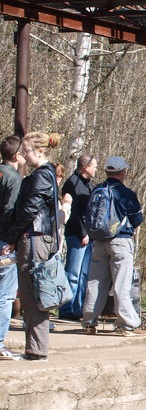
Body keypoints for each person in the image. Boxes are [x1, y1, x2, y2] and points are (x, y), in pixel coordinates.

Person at [7, 132, 62, 360]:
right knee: (33, 294)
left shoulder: (41, 176)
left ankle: (36, 351)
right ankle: (35, 349)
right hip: (37, 237)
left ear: (40, 151)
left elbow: (31, 209)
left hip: (35, 238)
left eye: (27, 151)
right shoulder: (45, 174)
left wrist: (11, 237)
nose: (23, 155)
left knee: (33, 295)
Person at [81, 155, 146, 337]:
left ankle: (88, 323)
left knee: (95, 283)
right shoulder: (126, 193)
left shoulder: (97, 190)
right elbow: (137, 218)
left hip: (98, 242)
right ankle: (126, 324)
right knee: (121, 285)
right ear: (122, 171)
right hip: (120, 241)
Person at [58, 154, 96, 320]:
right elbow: (73, 214)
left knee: (83, 275)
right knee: (72, 274)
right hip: (77, 235)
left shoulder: (87, 185)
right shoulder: (72, 183)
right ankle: (66, 309)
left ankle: (77, 308)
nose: (95, 169)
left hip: (88, 235)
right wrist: (83, 233)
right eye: (93, 166)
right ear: (85, 167)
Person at [0, 135, 25, 360]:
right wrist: (11, 238)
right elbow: (10, 210)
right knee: (6, 295)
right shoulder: (14, 178)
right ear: (16, 155)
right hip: (4, 242)